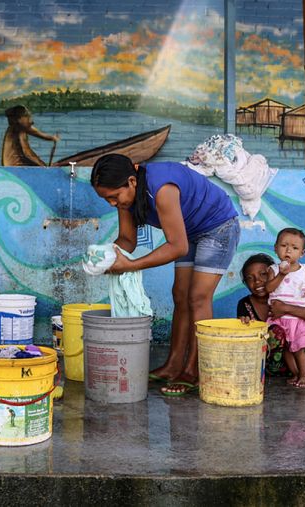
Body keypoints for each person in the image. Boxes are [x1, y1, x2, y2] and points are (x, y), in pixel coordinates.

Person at [91, 154, 240, 397]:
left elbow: (177, 247)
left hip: (218, 227)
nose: (111, 203)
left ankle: (193, 371)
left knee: (198, 297)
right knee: (180, 294)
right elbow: (127, 241)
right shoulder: (126, 199)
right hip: (189, 230)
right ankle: (173, 365)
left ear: (131, 181)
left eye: (113, 197)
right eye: (106, 199)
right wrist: (104, 257)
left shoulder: (162, 188)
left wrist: (132, 265)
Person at [236, 253, 305, 383]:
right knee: (275, 332)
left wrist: (286, 308)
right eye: (250, 278)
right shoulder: (245, 304)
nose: (257, 281)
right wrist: (244, 325)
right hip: (269, 365)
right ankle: (304, 370)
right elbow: (243, 338)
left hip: (297, 357)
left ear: (274, 273)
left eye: (263, 274)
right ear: (245, 283)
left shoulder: (287, 296)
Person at [263, 228, 305, 388]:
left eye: (294, 248)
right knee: (286, 349)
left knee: (299, 350)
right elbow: (269, 289)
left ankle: (304, 375)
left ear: (302, 253)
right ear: (275, 248)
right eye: (284, 245)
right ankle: (295, 373)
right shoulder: (273, 270)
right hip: (278, 319)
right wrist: (281, 275)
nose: (288, 250)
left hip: (298, 319)